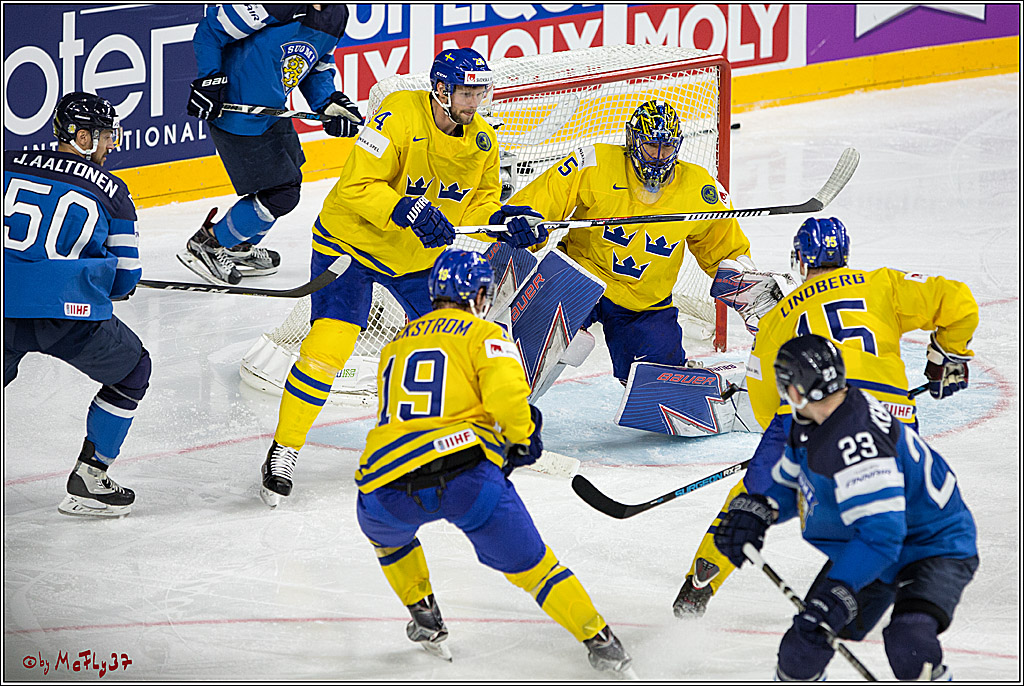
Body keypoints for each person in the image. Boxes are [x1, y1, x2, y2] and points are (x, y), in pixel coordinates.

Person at [258, 47, 547, 506]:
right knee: (327, 350)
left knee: (454, 346)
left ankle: (447, 441)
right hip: (350, 245)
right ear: (441, 90)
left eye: (480, 92)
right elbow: (355, 186)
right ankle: (285, 449)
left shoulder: (483, 142)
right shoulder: (396, 115)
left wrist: (504, 221)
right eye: (466, 93)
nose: (475, 102)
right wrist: (404, 208)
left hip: (414, 260)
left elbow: (479, 207)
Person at [674, 217, 978, 617]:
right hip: (888, 416)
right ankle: (864, 591)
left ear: (800, 259)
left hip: (811, 412)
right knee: (882, 504)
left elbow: (766, 399)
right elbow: (959, 302)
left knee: (751, 500)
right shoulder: (882, 283)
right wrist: (948, 355)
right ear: (845, 254)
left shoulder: (780, 315)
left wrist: (791, 446)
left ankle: (701, 583)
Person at [353, 249, 633, 675]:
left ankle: (424, 613)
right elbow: (506, 401)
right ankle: (601, 641)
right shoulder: (486, 334)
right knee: (538, 570)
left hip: (385, 484)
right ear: (480, 295)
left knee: (388, 539)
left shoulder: (397, 343)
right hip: (466, 478)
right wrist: (524, 438)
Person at [714, 334, 978, 681]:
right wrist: (761, 509)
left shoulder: (858, 443)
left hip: (932, 546)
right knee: (802, 649)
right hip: (871, 540)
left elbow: (882, 536)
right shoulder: (812, 419)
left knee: (909, 642)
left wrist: (838, 591)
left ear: (794, 391)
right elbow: (794, 485)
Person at [506, 99, 768, 386]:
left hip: (644, 303)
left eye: (667, 147)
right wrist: (525, 222)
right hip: (580, 278)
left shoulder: (700, 189)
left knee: (659, 386)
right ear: (633, 140)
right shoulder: (594, 162)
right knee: (532, 348)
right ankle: (509, 396)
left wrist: (749, 288)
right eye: (651, 145)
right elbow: (542, 201)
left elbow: (725, 250)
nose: (658, 156)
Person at [4, 92, 148, 518]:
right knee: (133, 371)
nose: (111, 144)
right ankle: (90, 476)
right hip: (68, 318)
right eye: (105, 135)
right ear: (82, 137)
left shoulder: (7, 162)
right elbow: (125, 278)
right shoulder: (113, 191)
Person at [180, 4, 362, 286]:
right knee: (281, 194)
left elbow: (316, 66)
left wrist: (327, 102)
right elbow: (211, 30)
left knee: (287, 184)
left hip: (271, 111)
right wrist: (209, 79)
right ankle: (209, 243)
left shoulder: (337, 14)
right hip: (236, 112)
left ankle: (237, 245)